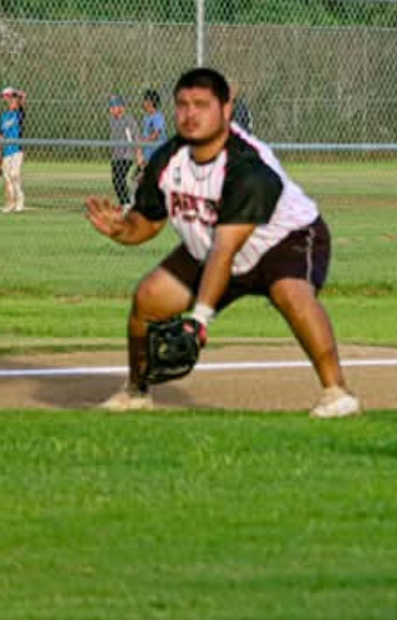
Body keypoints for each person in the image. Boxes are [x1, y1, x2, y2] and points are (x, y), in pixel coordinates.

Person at [84, 67, 361, 418]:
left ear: (226, 110)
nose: (190, 114)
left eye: (202, 104)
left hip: (282, 241)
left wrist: (199, 321)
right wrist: (122, 229)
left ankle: (337, 393)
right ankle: (137, 392)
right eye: (183, 105)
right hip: (211, 245)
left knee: (290, 292)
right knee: (148, 300)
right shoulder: (168, 160)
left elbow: (225, 251)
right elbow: (148, 223)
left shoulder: (248, 167)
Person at [0, 87, 27, 213]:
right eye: (9, 99)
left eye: (13, 99)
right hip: (6, 150)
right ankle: (10, 202)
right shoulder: (3, 116)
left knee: (15, 174)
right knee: (7, 177)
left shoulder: (19, 114)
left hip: (17, 149)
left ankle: (20, 199)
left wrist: (16, 94)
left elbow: (23, 99)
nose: (11, 101)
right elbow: (0, 134)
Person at [108, 96, 139, 206]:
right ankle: (124, 203)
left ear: (121, 108)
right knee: (115, 181)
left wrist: (138, 155)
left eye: (113, 107)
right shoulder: (112, 120)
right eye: (110, 107)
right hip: (116, 156)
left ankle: (127, 204)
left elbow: (134, 138)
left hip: (127, 155)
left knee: (120, 179)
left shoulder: (128, 120)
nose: (111, 109)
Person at [139, 89, 168, 162]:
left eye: (145, 100)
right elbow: (145, 134)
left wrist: (144, 141)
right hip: (147, 153)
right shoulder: (146, 118)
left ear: (150, 103)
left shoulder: (158, 116)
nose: (143, 103)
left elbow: (156, 134)